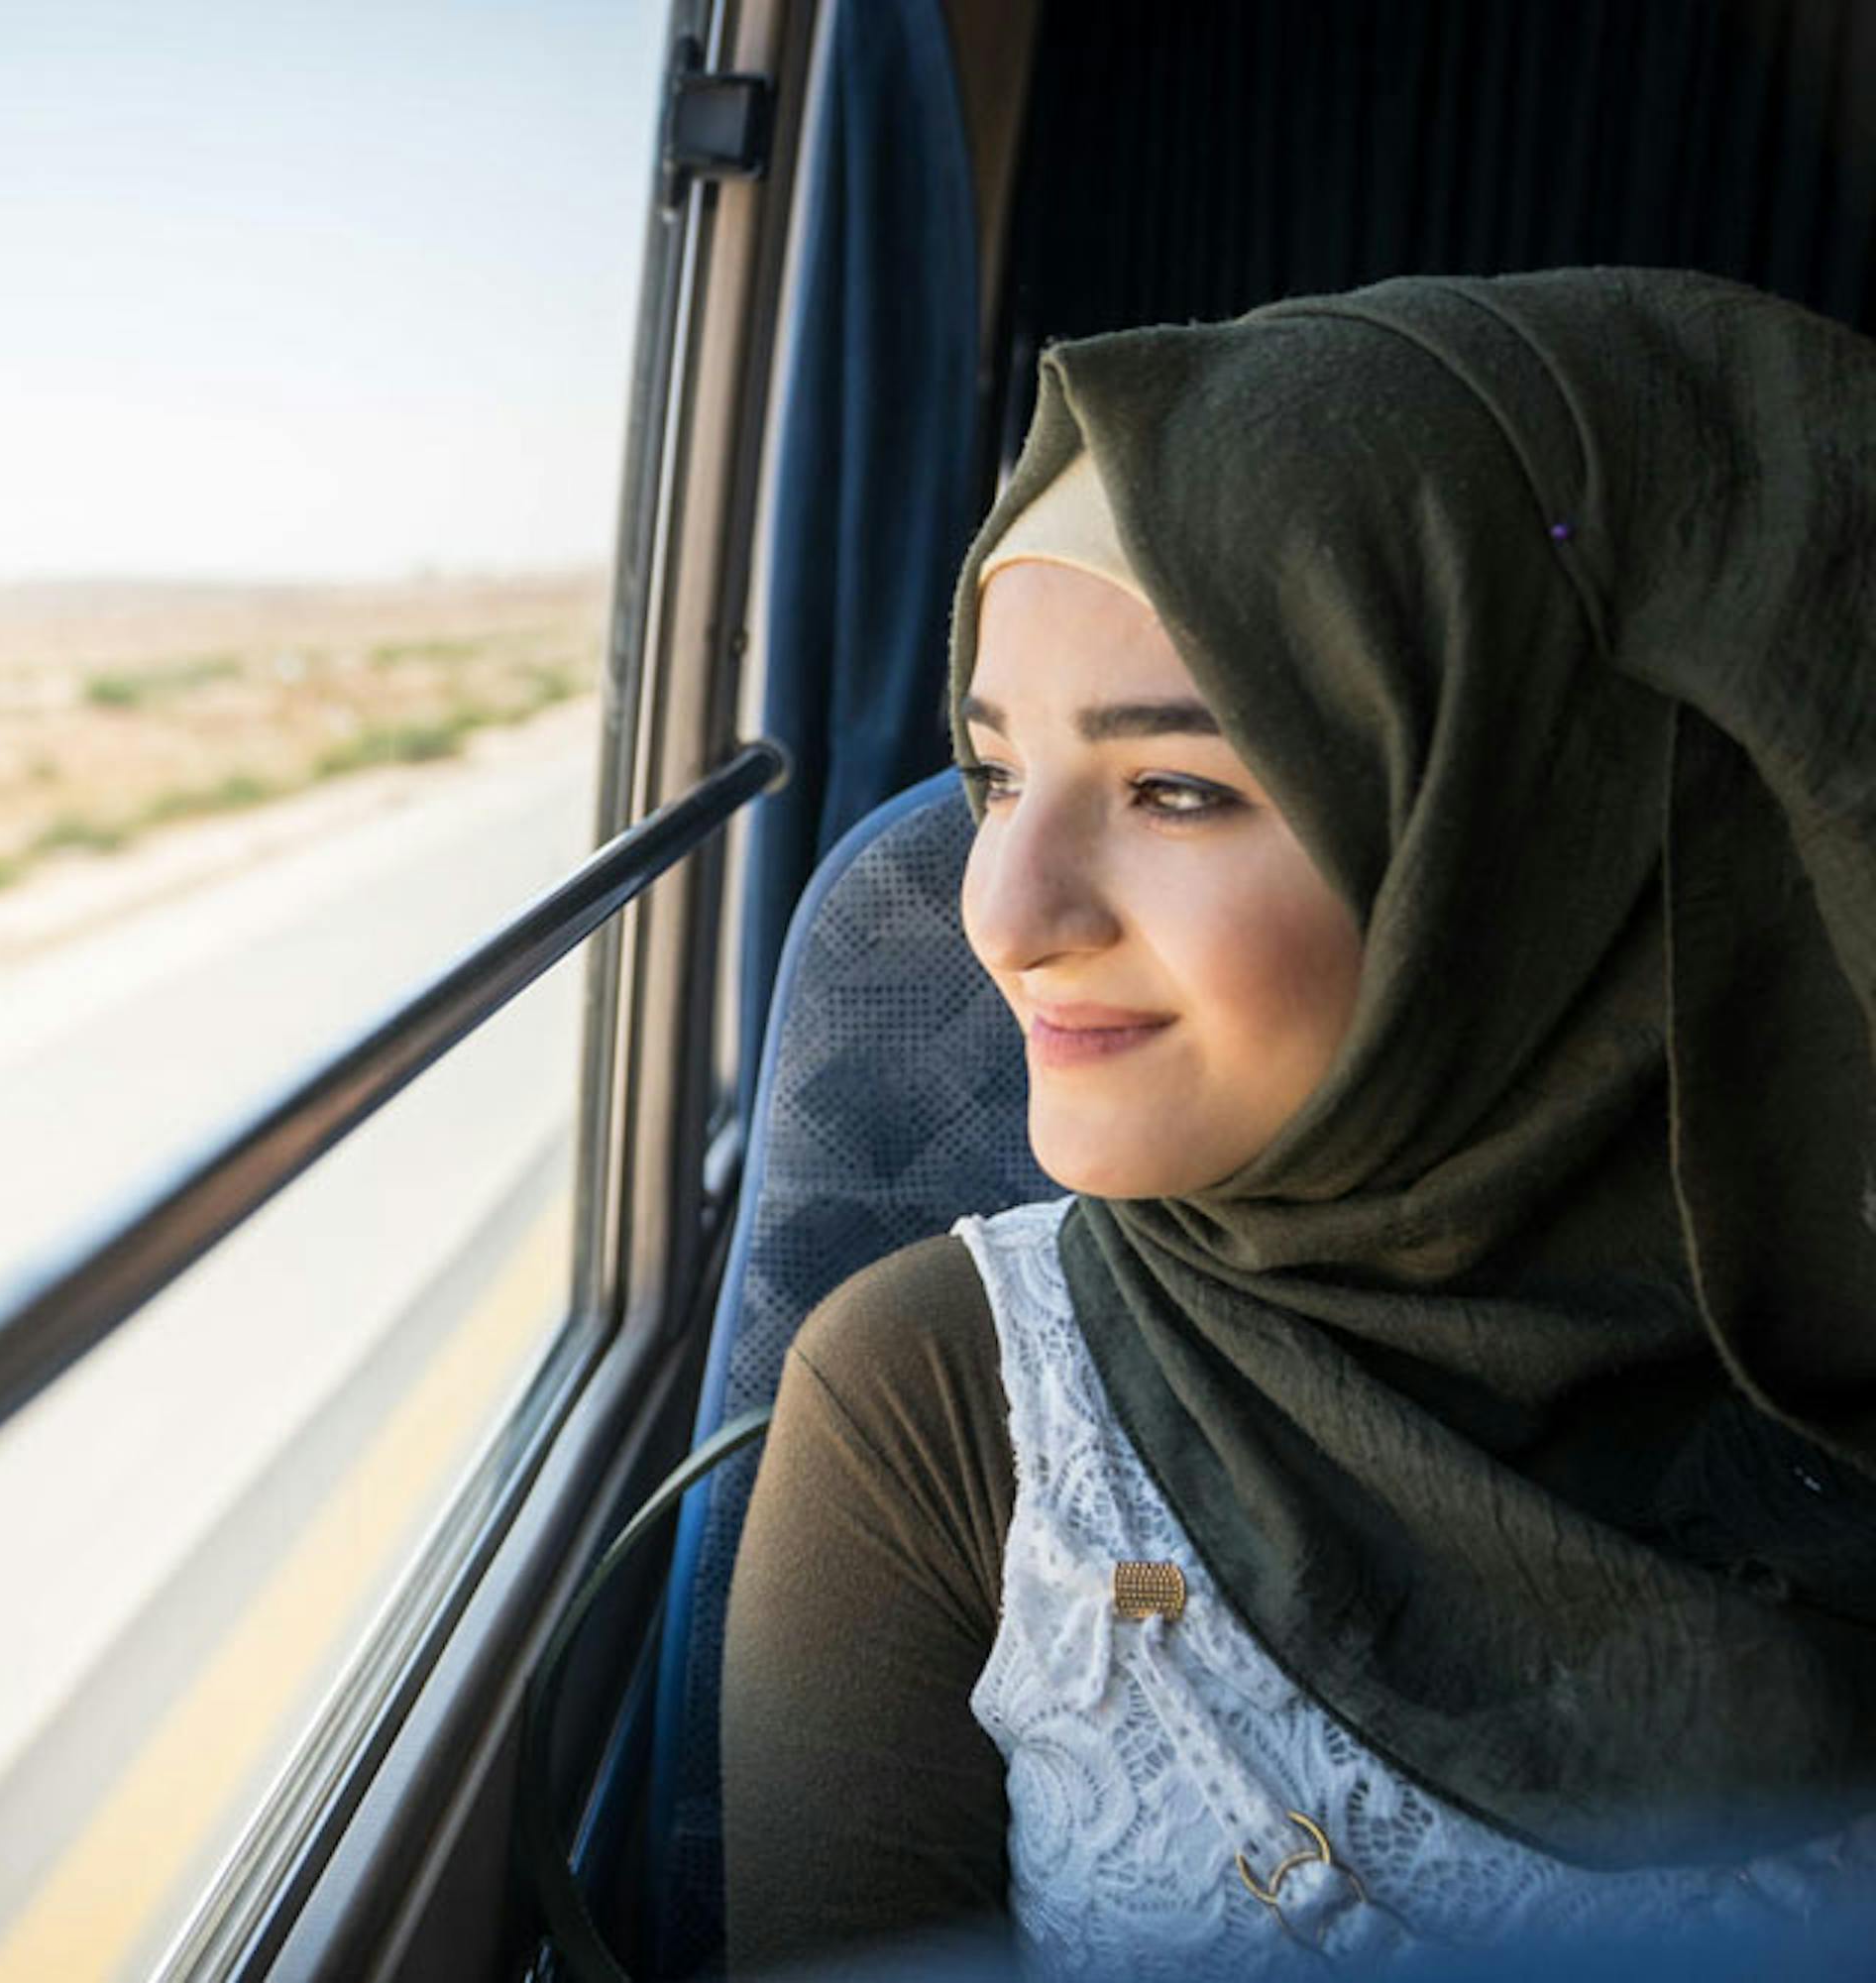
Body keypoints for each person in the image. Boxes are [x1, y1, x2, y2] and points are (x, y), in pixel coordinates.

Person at [719, 267, 1876, 1976]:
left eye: (1176, 787)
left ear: (1519, 850)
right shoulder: (938, 1405)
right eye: (992, 774)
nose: (1002, 909)